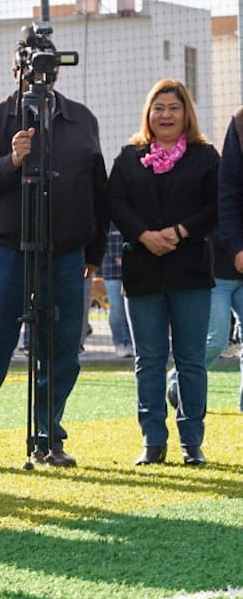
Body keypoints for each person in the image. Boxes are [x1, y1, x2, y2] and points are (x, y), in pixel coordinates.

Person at [0, 47, 108, 470]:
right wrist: (14, 159)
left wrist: (94, 251)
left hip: (67, 254)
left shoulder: (81, 119)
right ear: (15, 69)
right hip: (7, 250)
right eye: (32, 66)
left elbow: (98, 188)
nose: (40, 74)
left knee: (61, 350)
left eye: (48, 66)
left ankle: (48, 436)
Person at [108, 79, 218, 466]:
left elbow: (216, 205)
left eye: (174, 107)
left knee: (190, 360)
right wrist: (142, 235)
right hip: (142, 271)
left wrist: (181, 231)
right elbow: (114, 203)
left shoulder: (206, 157)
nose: (166, 115)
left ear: (186, 112)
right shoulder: (127, 157)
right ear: (148, 114)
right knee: (149, 360)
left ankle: (192, 442)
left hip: (189, 271)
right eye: (159, 108)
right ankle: (153, 441)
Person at [199, 106, 243, 412]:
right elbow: (228, 193)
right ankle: (180, 380)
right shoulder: (240, 124)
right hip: (224, 264)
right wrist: (237, 247)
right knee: (215, 340)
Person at [102, 226, 134, 358]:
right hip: (112, 271)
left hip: (134, 268)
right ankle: (121, 343)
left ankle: (132, 343)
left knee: (133, 309)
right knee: (117, 309)